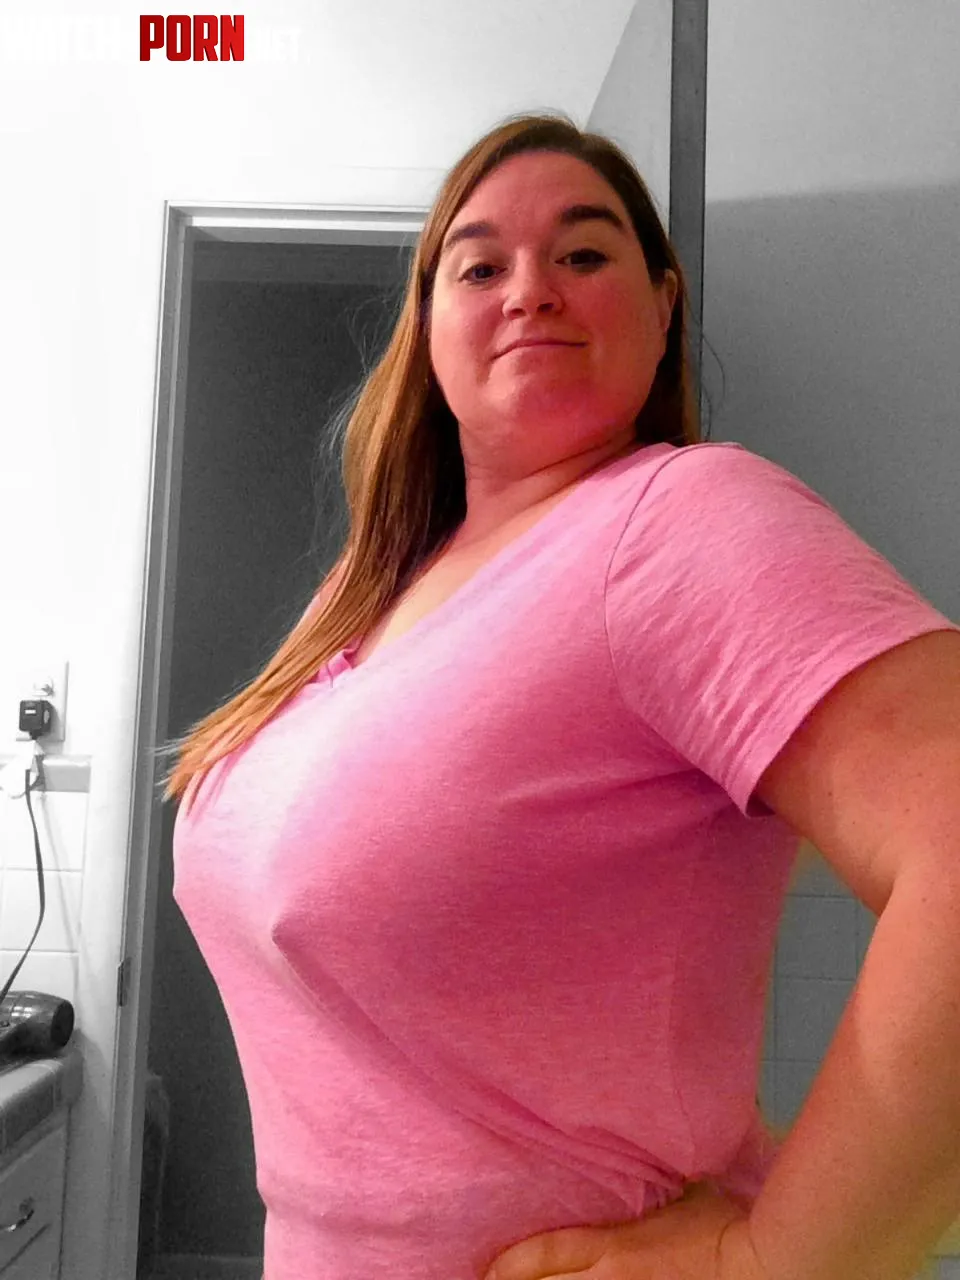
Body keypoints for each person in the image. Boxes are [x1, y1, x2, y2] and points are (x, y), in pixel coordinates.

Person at [161, 112, 960, 1280]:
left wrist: (774, 1258)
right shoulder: (369, 588)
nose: (530, 287)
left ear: (665, 303)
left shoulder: (679, 519)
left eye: (583, 253)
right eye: (480, 266)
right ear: (427, 323)